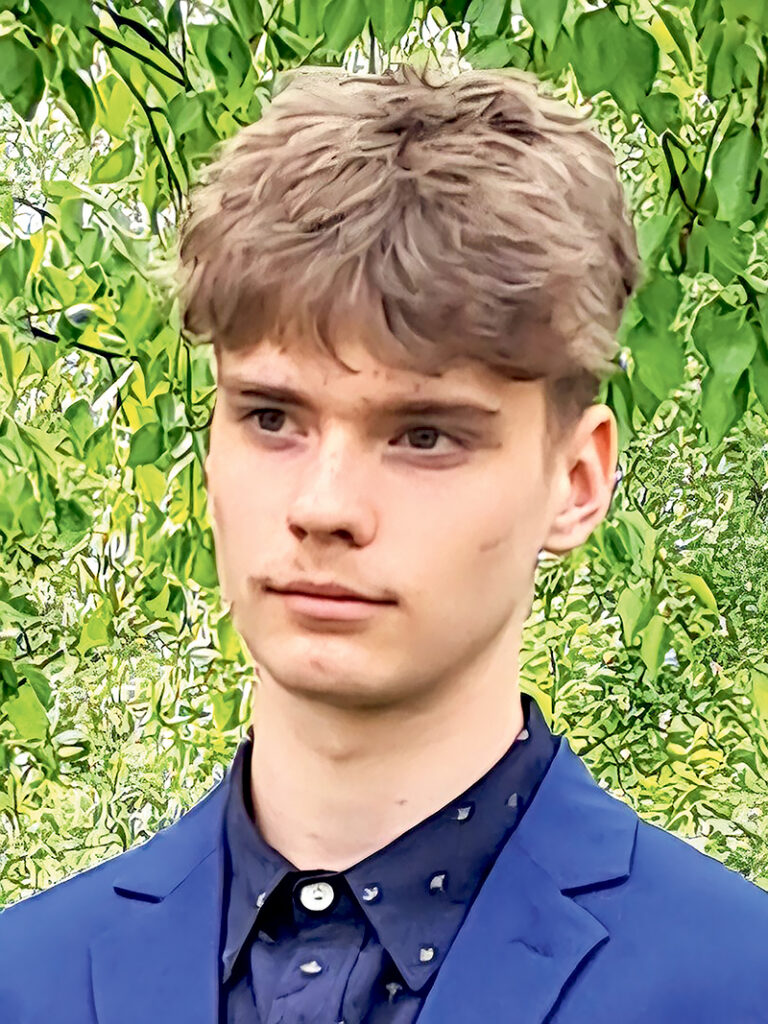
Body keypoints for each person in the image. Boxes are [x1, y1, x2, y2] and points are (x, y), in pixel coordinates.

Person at [1, 61, 767, 1024]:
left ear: (576, 483)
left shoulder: (736, 984)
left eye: (425, 435)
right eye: (272, 417)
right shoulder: (28, 979)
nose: (324, 506)